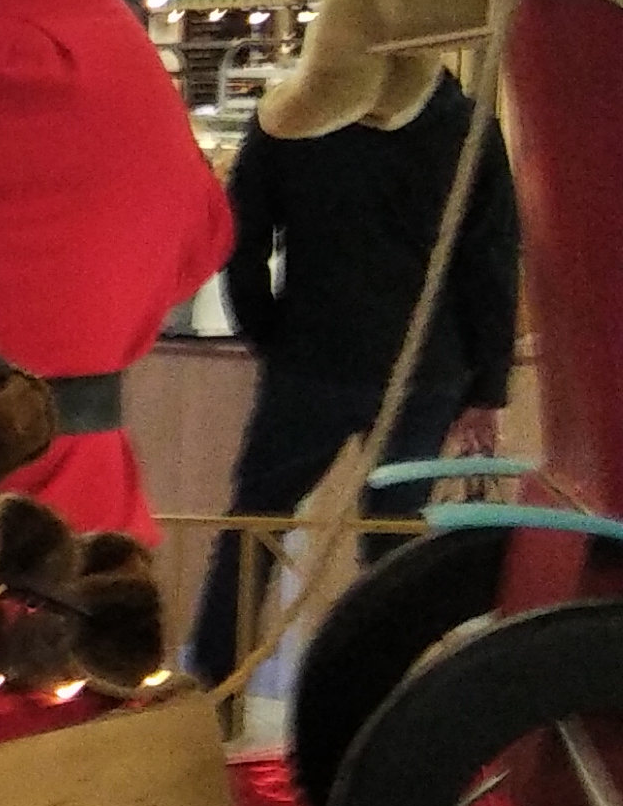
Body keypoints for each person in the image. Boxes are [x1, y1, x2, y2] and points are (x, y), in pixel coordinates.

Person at [182, 86, 520, 684]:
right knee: (392, 543)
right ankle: (377, 697)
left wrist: (270, 333)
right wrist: (487, 386)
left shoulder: (296, 113)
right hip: (426, 365)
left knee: (255, 524)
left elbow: (242, 240)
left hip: (313, 357)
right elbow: (490, 260)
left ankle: (215, 690)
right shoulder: (465, 125)